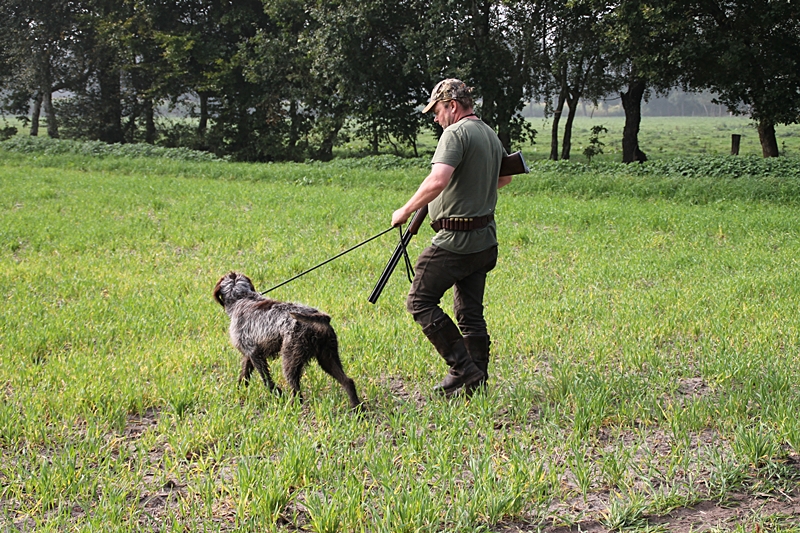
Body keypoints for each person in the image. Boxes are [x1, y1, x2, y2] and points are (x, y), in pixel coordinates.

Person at [391, 79, 513, 397]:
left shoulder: (455, 133)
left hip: (456, 241)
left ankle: (464, 369)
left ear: (453, 106)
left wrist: (404, 210)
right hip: (485, 240)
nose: (436, 118)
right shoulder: (488, 132)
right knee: (470, 312)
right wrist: (474, 189)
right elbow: (504, 177)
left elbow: (438, 179)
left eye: (438, 110)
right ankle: (478, 380)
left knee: (419, 301)